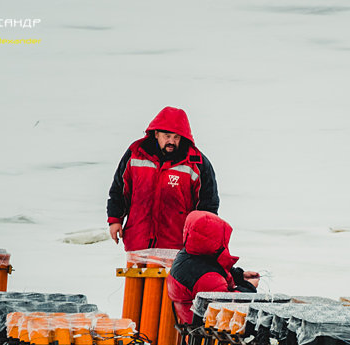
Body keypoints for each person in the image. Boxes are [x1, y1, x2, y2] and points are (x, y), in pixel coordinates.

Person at [107, 106, 219, 251]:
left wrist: (201, 240)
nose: (171, 141)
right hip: (137, 242)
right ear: (156, 134)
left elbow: (208, 207)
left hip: (177, 247)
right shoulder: (135, 154)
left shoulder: (197, 163)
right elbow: (119, 190)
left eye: (176, 137)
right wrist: (115, 220)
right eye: (167, 136)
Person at [167, 211, 260, 324]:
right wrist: (249, 287)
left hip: (192, 318)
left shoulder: (188, 254)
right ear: (212, 240)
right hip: (205, 329)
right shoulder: (206, 277)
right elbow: (230, 305)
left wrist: (239, 276)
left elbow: (215, 267)